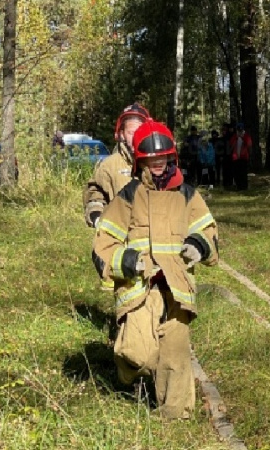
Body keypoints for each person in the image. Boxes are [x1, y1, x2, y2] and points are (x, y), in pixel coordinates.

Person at [92, 120, 219, 420]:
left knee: (175, 353)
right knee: (135, 353)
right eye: (151, 160)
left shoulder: (188, 195)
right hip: (140, 286)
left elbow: (210, 232)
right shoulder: (128, 196)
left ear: (172, 157)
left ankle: (175, 416)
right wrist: (127, 262)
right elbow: (103, 244)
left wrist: (199, 246)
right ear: (141, 162)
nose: (158, 165)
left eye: (162, 159)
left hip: (177, 288)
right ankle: (130, 374)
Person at [84, 103, 151, 290]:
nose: (136, 137)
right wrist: (96, 215)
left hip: (150, 238)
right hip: (120, 240)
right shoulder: (110, 166)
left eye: (140, 131)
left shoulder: (156, 161)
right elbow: (95, 191)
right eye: (131, 132)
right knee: (124, 290)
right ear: (121, 134)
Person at [229, 121, 251, 190]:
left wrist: (242, 138)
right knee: (236, 173)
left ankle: (244, 187)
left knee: (243, 173)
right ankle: (238, 186)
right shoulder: (234, 136)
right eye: (238, 129)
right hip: (236, 158)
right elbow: (231, 146)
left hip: (243, 158)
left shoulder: (246, 136)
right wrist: (236, 138)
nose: (239, 131)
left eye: (240, 129)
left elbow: (249, 145)